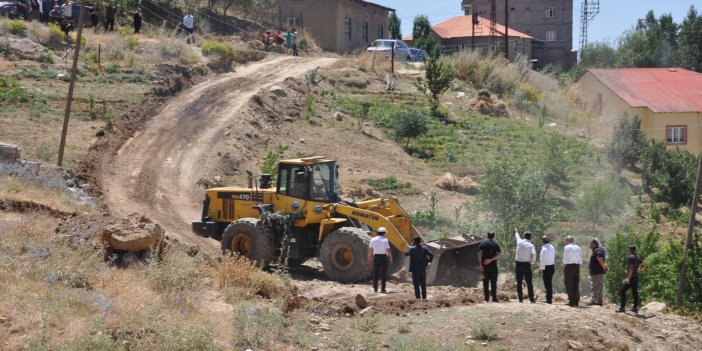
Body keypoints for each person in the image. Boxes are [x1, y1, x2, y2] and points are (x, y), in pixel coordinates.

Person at [617, 245, 645, 313]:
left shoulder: (631, 257)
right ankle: (635, 308)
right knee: (635, 292)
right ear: (635, 250)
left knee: (623, 291)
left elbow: (630, 268)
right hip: (636, 277)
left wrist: (628, 279)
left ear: (629, 250)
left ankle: (622, 308)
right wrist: (639, 269)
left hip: (631, 278)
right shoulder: (637, 257)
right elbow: (643, 264)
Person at [477, 230, 501, 303]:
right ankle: (494, 298)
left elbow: (479, 255)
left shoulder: (482, 244)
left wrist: (480, 265)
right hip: (493, 267)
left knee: (485, 283)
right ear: (494, 236)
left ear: (487, 236)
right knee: (494, 283)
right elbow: (498, 255)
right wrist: (491, 260)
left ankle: (486, 299)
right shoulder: (496, 244)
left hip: (485, 267)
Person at [367, 227, 393, 293]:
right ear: (384, 233)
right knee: (383, 273)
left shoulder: (373, 239)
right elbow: (388, 250)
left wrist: (369, 257)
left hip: (376, 257)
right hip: (383, 257)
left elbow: (370, 249)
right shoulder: (385, 240)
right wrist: (391, 258)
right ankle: (383, 289)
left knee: (375, 273)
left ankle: (375, 289)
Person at [514, 229, 536, 303]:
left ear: (524, 236)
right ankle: (531, 299)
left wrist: (516, 231)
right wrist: (532, 262)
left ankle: (520, 299)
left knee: (519, 283)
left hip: (518, 264)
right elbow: (534, 254)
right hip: (527, 264)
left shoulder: (519, 242)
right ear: (530, 237)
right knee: (529, 282)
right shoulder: (531, 245)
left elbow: (517, 236)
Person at [562, 236, 582, 307]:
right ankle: (576, 301)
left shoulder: (567, 247)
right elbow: (580, 259)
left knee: (569, 283)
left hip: (569, 266)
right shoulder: (578, 247)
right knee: (576, 283)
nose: (565, 241)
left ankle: (572, 301)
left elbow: (565, 259)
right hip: (577, 266)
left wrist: (563, 268)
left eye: (566, 240)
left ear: (568, 240)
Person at [588, 238, 609, 306]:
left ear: (595, 244)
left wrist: (604, 267)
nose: (589, 245)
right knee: (599, 286)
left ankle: (594, 301)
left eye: (591, 243)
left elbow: (600, 259)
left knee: (595, 286)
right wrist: (605, 267)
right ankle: (599, 301)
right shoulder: (597, 250)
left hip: (597, 272)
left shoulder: (598, 250)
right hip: (597, 271)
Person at [539, 235, 556, 304]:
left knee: (547, 284)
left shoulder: (544, 249)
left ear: (542, 241)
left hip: (546, 267)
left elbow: (543, 260)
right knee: (549, 283)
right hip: (552, 266)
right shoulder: (552, 247)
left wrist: (541, 270)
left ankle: (549, 300)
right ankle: (549, 298)